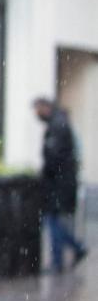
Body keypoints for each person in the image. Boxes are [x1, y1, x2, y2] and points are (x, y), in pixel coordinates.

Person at [34, 97, 88, 273]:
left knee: (53, 221)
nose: (36, 114)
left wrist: (46, 174)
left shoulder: (57, 126)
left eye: (38, 109)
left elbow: (54, 157)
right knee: (54, 221)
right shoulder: (59, 124)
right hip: (60, 183)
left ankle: (65, 255)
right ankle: (73, 249)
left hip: (58, 185)